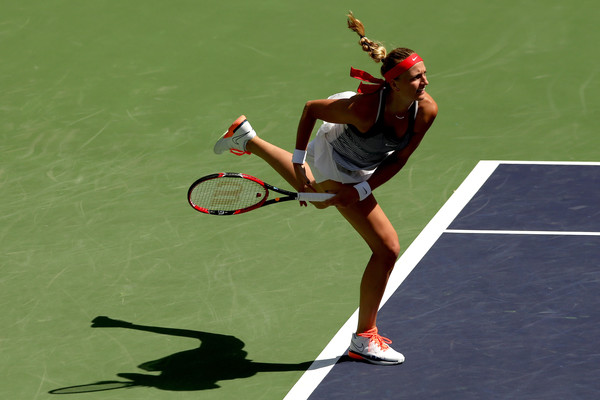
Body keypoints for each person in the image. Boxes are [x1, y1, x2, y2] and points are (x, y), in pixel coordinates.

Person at [212, 12, 437, 365]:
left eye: (424, 74)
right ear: (394, 84)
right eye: (415, 77)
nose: (424, 82)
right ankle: (365, 338)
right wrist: (301, 162)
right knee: (387, 247)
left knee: (321, 199)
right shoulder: (363, 109)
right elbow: (311, 109)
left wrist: (360, 191)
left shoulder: (425, 111)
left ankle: (248, 139)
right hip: (336, 153)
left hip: (362, 163)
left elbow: (398, 160)